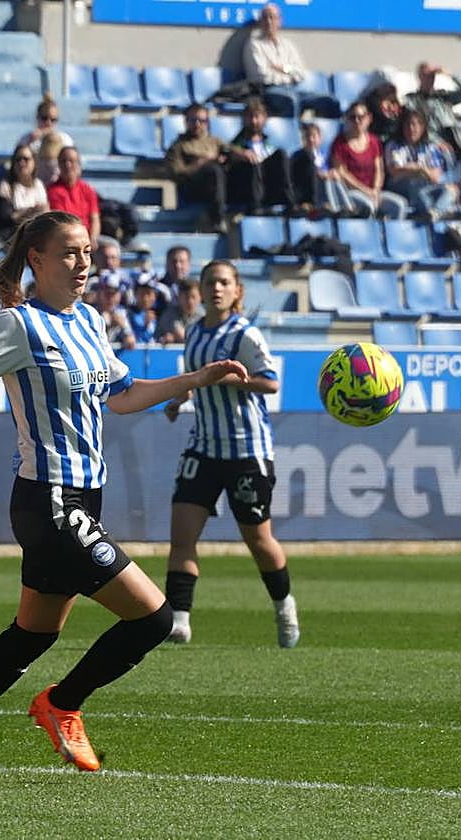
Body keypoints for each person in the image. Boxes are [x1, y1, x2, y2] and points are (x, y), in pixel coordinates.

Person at [0, 210, 246, 782]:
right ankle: (62, 704)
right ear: (37, 259)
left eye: (88, 252)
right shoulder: (17, 325)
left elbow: (120, 396)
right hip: (50, 501)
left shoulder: (91, 320)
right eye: (70, 252)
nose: (83, 263)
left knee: (34, 633)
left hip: (82, 501)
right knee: (154, 619)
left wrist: (195, 378)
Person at [162, 259, 298, 648]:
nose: (216, 289)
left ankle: (283, 605)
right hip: (203, 448)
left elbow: (270, 383)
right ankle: (180, 621)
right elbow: (195, 380)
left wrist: (234, 380)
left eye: (224, 282)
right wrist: (179, 399)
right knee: (182, 535)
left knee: (258, 540)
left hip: (246, 450)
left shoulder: (245, 335)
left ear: (237, 290)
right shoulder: (193, 333)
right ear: (200, 290)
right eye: (210, 282)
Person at [330, 103, 407, 219]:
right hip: (351, 192)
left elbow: (379, 170)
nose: (357, 121)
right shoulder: (339, 143)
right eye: (353, 117)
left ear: (369, 118)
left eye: (360, 117)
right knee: (368, 206)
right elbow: (343, 175)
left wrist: (375, 190)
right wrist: (366, 191)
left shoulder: (374, 142)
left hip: (373, 192)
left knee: (399, 205)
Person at [241, 3, 316, 118]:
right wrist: (289, 76)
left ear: (279, 21)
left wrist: (284, 68)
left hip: (293, 88)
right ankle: (295, 133)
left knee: (325, 101)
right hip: (268, 91)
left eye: (272, 17)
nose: (269, 21)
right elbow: (262, 76)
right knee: (291, 100)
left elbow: (301, 73)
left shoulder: (288, 45)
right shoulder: (254, 45)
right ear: (260, 21)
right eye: (265, 17)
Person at [166, 104, 232, 233]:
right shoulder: (178, 146)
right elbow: (176, 174)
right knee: (213, 170)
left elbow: (231, 151)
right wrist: (201, 162)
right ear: (186, 122)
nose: (197, 124)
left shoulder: (215, 142)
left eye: (202, 121)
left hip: (218, 187)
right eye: (193, 120)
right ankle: (217, 220)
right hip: (192, 188)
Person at [228, 97, 295, 214]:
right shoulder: (235, 145)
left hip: (269, 189)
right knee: (252, 160)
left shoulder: (269, 143)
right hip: (246, 195)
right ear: (244, 119)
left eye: (257, 117)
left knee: (281, 155)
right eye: (250, 117)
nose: (254, 121)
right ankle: (256, 207)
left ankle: (289, 203)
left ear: (264, 118)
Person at [384, 108, 455, 218]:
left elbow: (435, 177)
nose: (412, 129)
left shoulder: (430, 147)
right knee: (414, 185)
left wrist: (418, 169)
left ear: (422, 128)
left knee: (449, 190)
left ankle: (434, 213)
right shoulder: (394, 145)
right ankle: (431, 211)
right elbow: (395, 171)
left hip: (425, 188)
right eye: (408, 124)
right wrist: (422, 171)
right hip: (400, 188)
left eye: (416, 125)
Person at [404, 62, 461, 155]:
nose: (430, 79)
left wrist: (450, 74)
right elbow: (416, 127)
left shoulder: (442, 97)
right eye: (426, 76)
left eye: (432, 75)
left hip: (456, 142)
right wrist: (437, 142)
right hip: (433, 147)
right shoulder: (413, 100)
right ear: (420, 77)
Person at [291, 121, 351, 216]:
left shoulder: (324, 155)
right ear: (303, 139)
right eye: (307, 137)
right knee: (327, 181)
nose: (311, 140)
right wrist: (321, 174)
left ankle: (348, 207)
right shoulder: (298, 156)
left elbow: (329, 170)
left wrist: (332, 173)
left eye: (314, 136)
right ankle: (332, 207)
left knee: (335, 179)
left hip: (324, 186)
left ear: (320, 139)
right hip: (309, 192)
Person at [47, 147, 101, 245]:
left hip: (88, 238)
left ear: (79, 164)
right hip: (67, 239)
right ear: (58, 165)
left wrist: (93, 238)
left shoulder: (88, 189)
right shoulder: (52, 191)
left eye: (72, 161)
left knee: (111, 248)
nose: (68, 165)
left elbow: (95, 219)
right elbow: (62, 223)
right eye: (63, 161)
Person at [0, 144, 49, 236]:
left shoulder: (38, 185)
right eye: (18, 159)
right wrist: (28, 212)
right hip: (12, 234)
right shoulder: (4, 186)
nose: (22, 163)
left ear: (34, 162)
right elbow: (4, 219)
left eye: (26, 159)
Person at [91, 271, 135, 349]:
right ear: (99, 293)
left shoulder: (123, 313)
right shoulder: (90, 312)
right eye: (107, 293)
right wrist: (107, 326)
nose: (110, 298)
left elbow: (131, 342)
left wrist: (124, 328)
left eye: (114, 294)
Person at [156, 277, 203, 344]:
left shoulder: (204, 316)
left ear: (200, 297)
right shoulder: (170, 315)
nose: (190, 301)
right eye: (186, 297)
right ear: (179, 298)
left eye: (193, 297)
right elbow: (180, 335)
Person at [126, 277, 158, 345]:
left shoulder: (158, 314)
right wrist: (145, 326)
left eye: (148, 293)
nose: (145, 298)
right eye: (142, 293)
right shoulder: (128, 315)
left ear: (155, 296)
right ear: (135, 294)